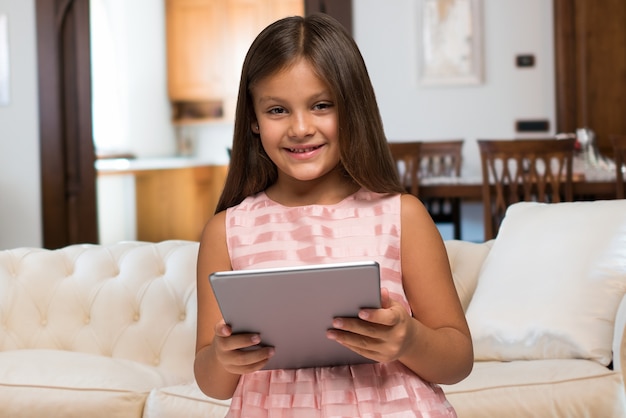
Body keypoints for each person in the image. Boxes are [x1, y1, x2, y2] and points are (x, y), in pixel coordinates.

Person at [194, 13, 473, 417]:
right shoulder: (227, 230)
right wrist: (224, 357)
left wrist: (407, 339)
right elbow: (212, 382)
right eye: (277, 110)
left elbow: (458, 360)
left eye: (321, 105)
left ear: (352, 109)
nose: (300, 127)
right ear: (253, 120)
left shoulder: (402, 215)